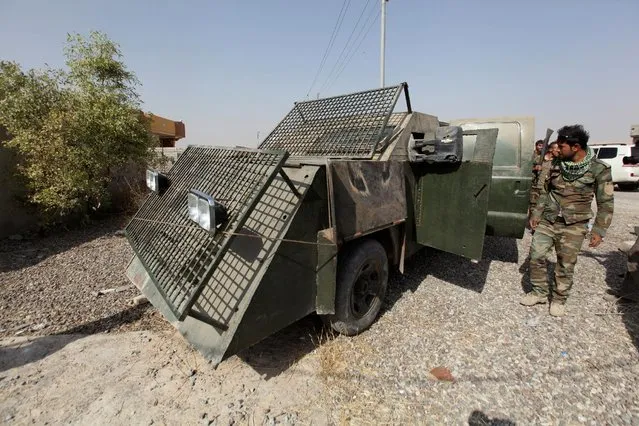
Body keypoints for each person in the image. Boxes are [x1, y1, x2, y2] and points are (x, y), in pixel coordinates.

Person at [521, 125, 614, 317]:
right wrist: (536, 214)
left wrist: (599, 230)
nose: (557, 149)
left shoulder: (599, 169)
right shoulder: (556, 164)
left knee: (565, 263)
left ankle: (558, 299)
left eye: (561, 146)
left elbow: (605, 202)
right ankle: (539, 292)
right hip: (549, 219)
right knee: (536, 255)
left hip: (575, 224)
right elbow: (545, 191)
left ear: (575, 147)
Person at [528, 140, 546, 212]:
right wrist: (534, 168)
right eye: (539, 145)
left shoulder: (544, 155)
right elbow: (525, 167)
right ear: (536, 146)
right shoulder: (531, 155)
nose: (541, 147)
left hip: (537, 181)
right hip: (530, 179)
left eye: (542, 146)